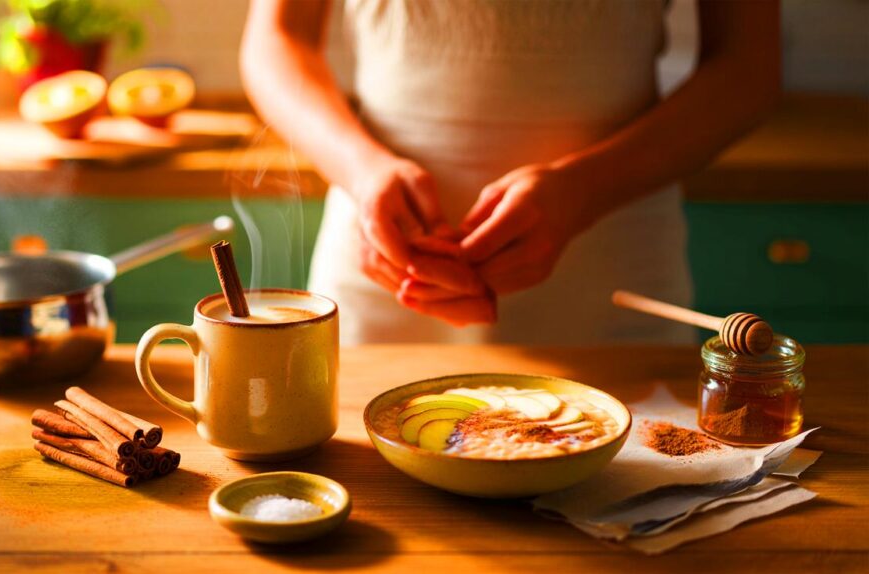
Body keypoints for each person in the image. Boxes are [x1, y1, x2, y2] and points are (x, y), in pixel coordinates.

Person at [240, 0, 780, 345]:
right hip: (381, 271)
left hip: (613, 280)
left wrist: (585, 190)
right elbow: (276, 42)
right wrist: (361, 172)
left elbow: (748, 67)